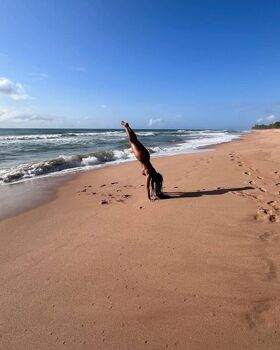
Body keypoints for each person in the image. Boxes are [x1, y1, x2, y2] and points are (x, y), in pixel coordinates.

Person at [121, 121, 163, 200]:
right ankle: (126, 127)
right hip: (142, 157)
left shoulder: (154, 172)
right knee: (132, 141)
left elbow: (151, 185)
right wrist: (149, 198)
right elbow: (147, 187)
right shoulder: (149, 174)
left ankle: (127, 126)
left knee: (135, 140)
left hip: (147, 156)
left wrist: (153, 192)